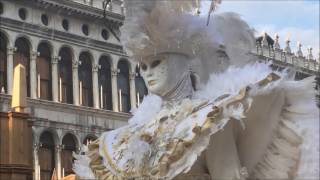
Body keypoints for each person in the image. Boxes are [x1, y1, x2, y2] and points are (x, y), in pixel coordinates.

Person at [73, 1, 319, 179]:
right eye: (143, 66)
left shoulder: (209, 120)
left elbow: (229, 175)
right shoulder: (134, 134)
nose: (148, 72)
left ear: (183, 63)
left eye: (157, 63)